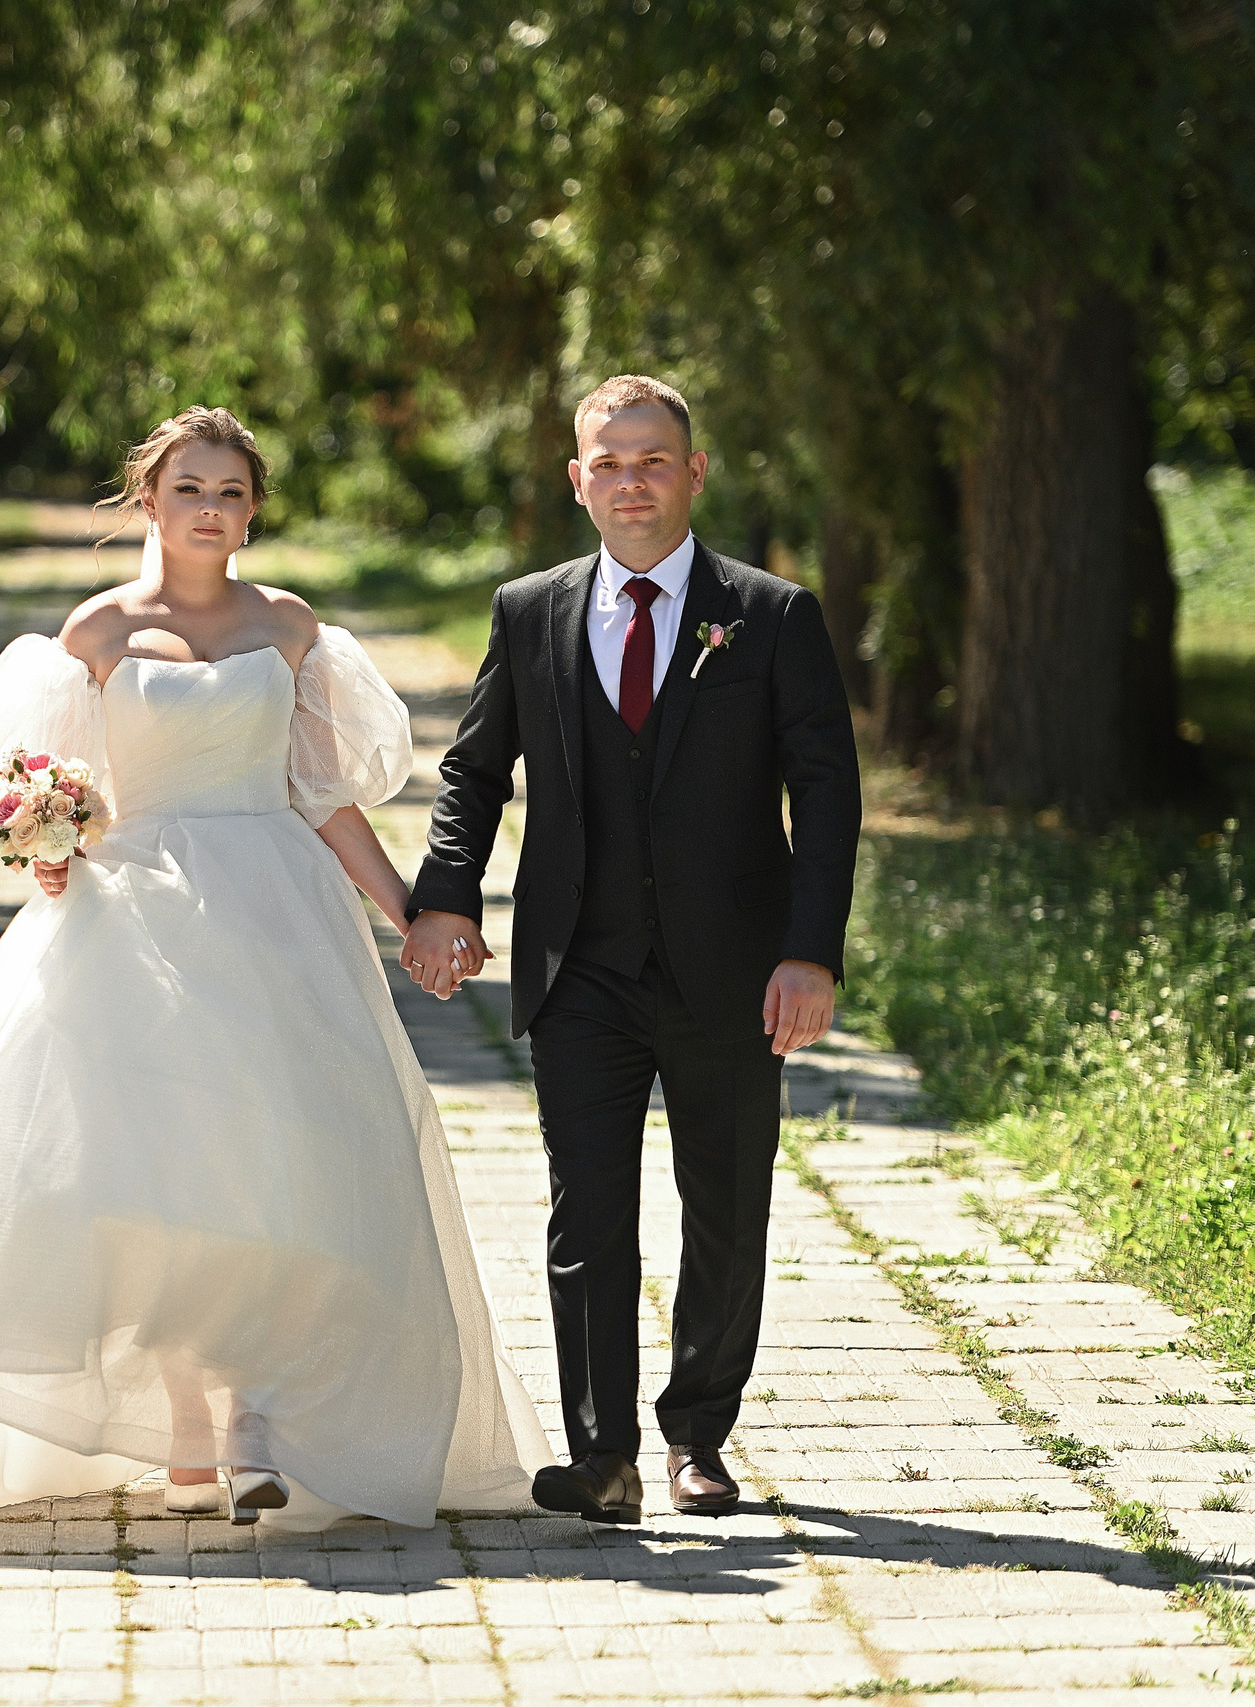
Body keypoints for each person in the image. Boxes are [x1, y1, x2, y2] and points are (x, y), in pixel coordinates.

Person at [0, 406, 547, 1529]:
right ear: (148, 503)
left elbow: (320, 794)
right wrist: (49, 845)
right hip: (139, 913)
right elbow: (59, 789)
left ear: (252, 510)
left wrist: (411, 912)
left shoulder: (292, 628)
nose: (210, 512)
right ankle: (188, 1433)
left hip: (274, 913)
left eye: (230, 494)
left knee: (284, 1160)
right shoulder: (97, 635)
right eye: (189, 490)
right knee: (150, 1175)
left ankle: (258, 1418)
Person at [400, 375, 861, 1525]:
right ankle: (599, 1456)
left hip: (734, 972)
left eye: (652, 460)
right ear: (576, 479)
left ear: (694, 473)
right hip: (581, 970)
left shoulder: (770, 615)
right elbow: (472, 772)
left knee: (725, 1210)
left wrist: (810, 953)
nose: (630, 482)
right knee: (586, 1213)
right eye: (607, 463)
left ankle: (697, 1437)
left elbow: (828, 795)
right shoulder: (530, 610)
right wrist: (445, 898)